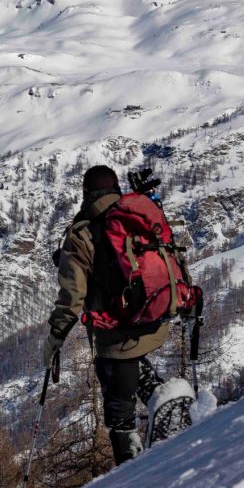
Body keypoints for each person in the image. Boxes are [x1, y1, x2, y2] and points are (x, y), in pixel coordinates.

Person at [41, 164, 166, 465]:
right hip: (153, 317)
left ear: (86, 193)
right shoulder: (133, 215)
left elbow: (73, 297)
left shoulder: (82, 233)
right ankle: (170, 402)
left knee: (119, 413)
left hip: (114, 333)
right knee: (138, 373)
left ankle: (132, 472)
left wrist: (54, 338)